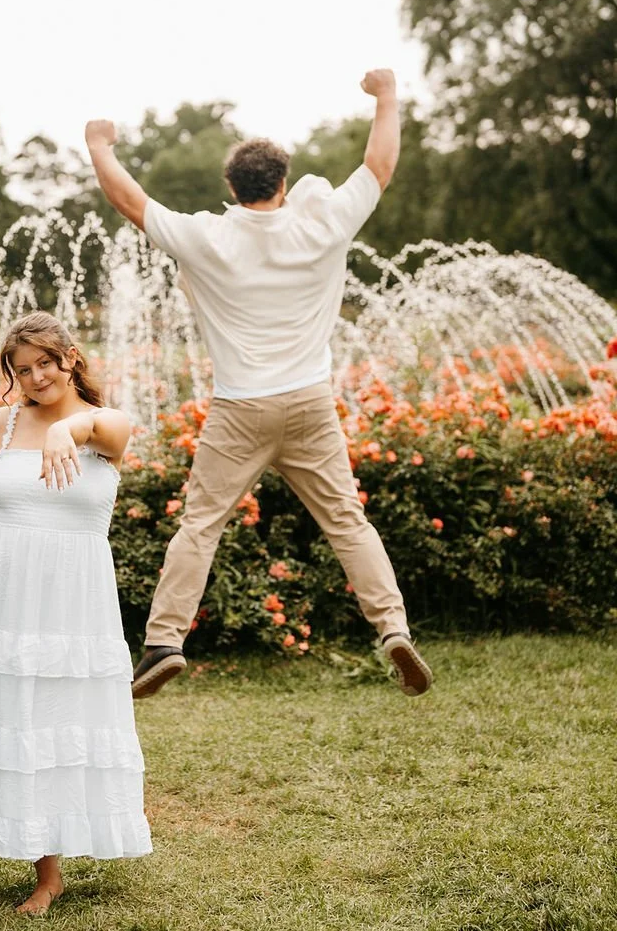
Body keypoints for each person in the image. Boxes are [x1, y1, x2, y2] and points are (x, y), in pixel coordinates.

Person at [84, 68, 433, 701]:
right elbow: (379, 165)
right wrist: (385, 96)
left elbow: (129, 201)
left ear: (232, 188)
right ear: (283, 183)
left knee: (201, 525)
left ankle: (164, 643)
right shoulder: (321, 225)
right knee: (348, 523)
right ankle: (393, 630)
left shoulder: (208, 236)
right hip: (309, 404)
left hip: (240, 408)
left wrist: (101, 145)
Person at [0, 311, 151, 918]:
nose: (35, 377)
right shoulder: (2, 426)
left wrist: (67, 432)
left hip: (71, 604)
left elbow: (114, 425)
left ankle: (47, 878)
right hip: (1, 595)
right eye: (22, 370)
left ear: (71, 358)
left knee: (49, 728)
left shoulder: (105, 431)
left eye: (45, 363)